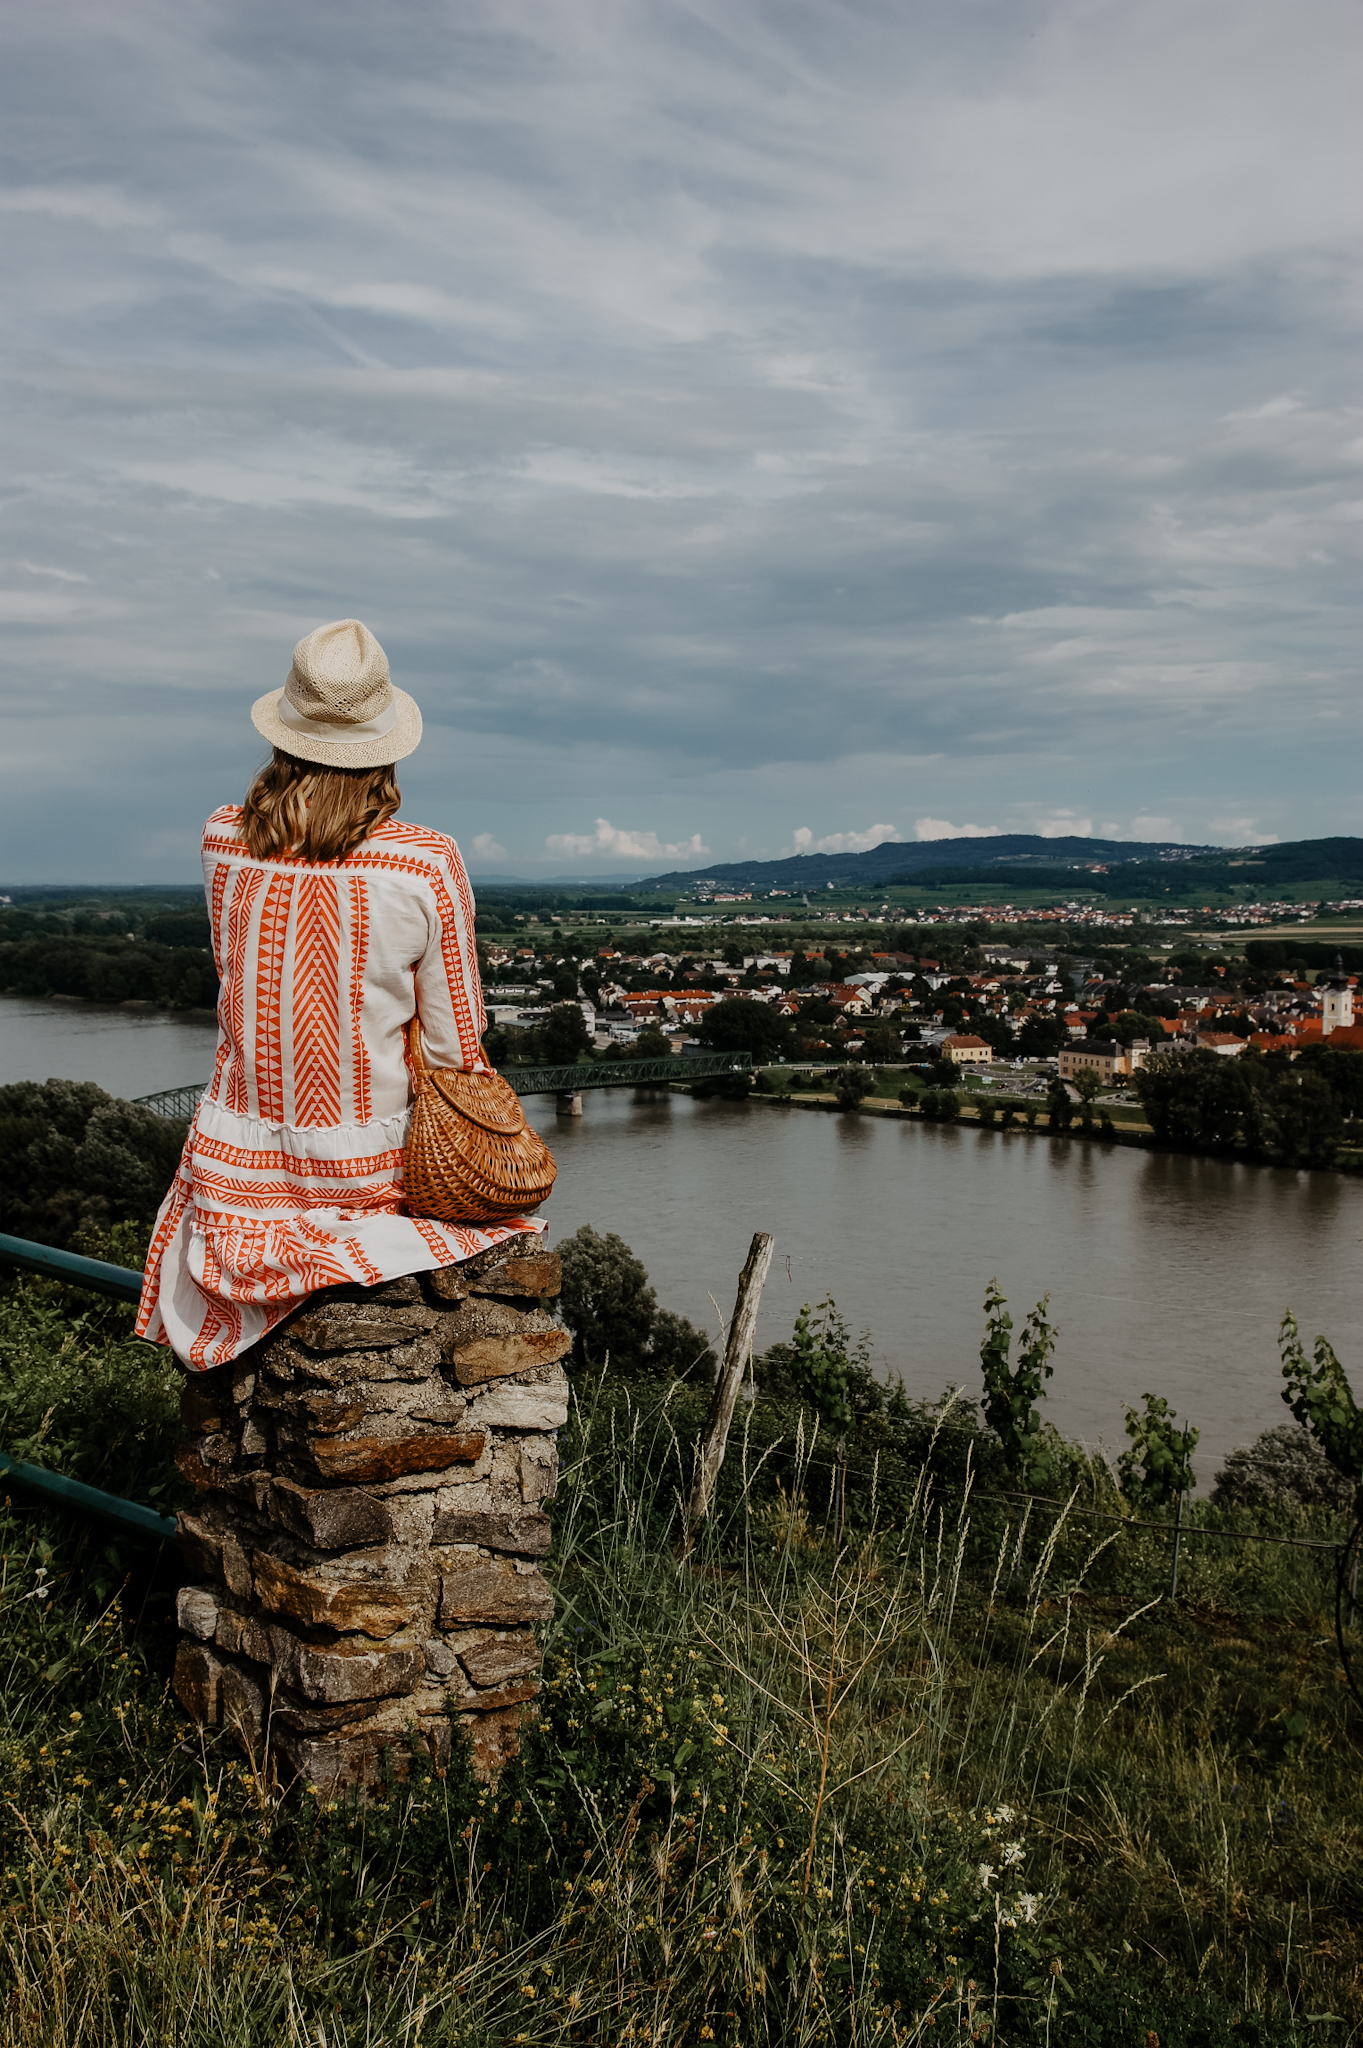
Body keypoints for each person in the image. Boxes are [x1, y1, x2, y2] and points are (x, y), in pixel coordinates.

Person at [136, 618, 544, 1370]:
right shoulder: (426, 861)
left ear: (284, 734)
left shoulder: (223, 837)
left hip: (235, 1166)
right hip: (366, 1170)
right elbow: (458, 1042)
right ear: (385, 744)